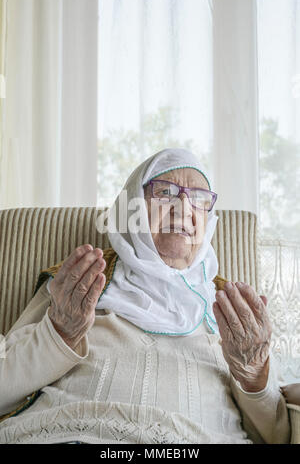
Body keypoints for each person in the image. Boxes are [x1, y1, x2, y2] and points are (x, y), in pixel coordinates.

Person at [0, 148, 290, 444]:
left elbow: (277, 435)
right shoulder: (76, 285)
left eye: (199, 198)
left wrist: (252, 372)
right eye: (165, 192)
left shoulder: (235, 313)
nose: (184, 208)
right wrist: (59, 333)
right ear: (133, 207)